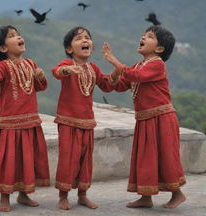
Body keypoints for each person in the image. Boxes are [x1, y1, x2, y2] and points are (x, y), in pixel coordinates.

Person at [102, 25, 186, 209]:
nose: (143, 37)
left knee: (165, 157)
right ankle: (146, 197)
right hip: (145, 119)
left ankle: (177, 194)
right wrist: (114, 73)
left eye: (149, 36)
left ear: (159, 49)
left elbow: (136, 76)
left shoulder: (157, 64)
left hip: (161, 119)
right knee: (145, 158)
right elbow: (119, 85)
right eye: (144, 34)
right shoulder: (138, 65)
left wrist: (115, 61)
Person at [0, 25, 50, 212]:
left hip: (30, 121)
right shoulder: (3, 66)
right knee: (9, 160)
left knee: (27, 160)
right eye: (12, 36)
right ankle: (5, 197)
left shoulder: (30, 64)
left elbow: (40, 87)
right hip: (11, 123)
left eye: (18, 34)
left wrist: (40, 77)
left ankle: (24, 194)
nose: (19, 37)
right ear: (3, 48)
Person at [52, 26, 117, 210]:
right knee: (68, 159)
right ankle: (63, 196)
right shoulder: (67, 63)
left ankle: (82, 195)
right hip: (67, 121)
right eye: (79, 38)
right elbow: (57, 71)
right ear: (69, 49)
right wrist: (68, 71)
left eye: (87, 38)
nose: (85, 40)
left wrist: (116, 67)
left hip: (87, 122)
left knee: (85, 161)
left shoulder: (93, 68)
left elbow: (106, 84)